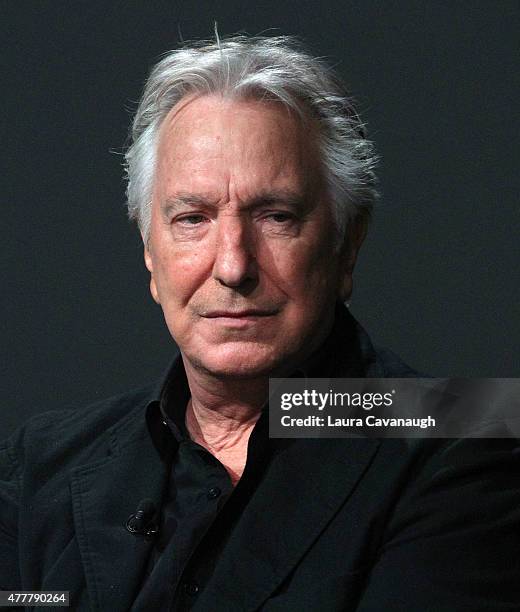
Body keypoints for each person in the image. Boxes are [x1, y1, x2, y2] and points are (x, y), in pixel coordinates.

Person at [1, 34, 519, 612]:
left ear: (347, 245)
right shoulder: (40, 464)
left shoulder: (468, 439)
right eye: (192, 218)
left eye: (276, 216)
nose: (232, 266)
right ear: (150, 254)